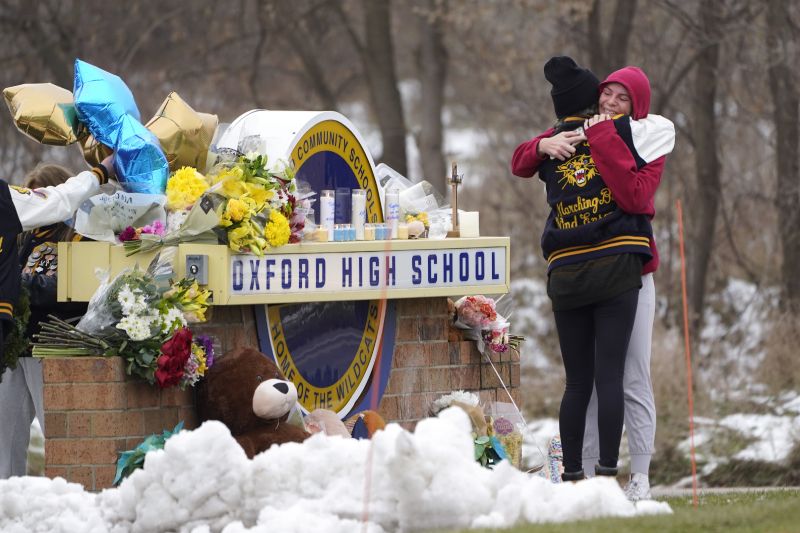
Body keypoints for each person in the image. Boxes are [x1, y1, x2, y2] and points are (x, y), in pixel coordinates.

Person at [511, 58, 673, 498]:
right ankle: (577, 477)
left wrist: (602, 136)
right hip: (582, 269)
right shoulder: (578, 129)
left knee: (630, 375)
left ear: (635, 107)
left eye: (624, 99)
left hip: (633, 272)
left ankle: (638, 476)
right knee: (587, 381)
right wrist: (544, 147)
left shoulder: (644, 138)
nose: (612, 102)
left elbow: (634, 196)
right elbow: (521, 158)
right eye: (609, 93)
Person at [0, 158, 113, 479]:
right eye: (31, 194)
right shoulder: (21, 236)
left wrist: (23, 289)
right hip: (14, 348)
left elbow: (83, 286)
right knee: (5, 442)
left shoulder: (82, 235)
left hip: (50, 346)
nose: (38, 205)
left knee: (59, 435)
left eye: (42, 194)